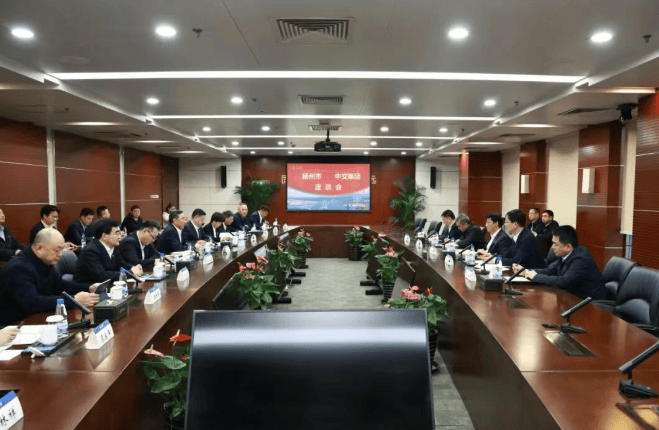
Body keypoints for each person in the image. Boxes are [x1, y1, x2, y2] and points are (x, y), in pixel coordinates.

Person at [0, 229, 99, 326]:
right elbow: (32, 303)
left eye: (62, 250)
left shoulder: (43, 261)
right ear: (39, 248)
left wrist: (88, 287)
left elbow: (59, 285)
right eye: (57, 250)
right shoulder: (18, 268)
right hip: (15, 325)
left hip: (38, 318)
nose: (60, 254)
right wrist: (74, 300)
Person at [520, 226, 606, 300]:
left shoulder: (581, 259)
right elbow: (549, 270)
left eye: (555, 244)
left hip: (590, 303)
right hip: (573, 297)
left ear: (568, 247)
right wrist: (525, 271)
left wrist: (535, 276)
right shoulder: (566, 254)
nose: (553, 247)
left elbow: (563, 281)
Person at [73, 220, 143, 284]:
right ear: (104, 236)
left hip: (107, 286)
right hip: (87, 289)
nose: (120, 237)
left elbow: (121, 264)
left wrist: (133, 268)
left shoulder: (114, 248)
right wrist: (130, 273)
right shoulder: (91, 251)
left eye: (120, 233)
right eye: (117, 233)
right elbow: (102, 276)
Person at [481, 209, 546, 269]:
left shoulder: (526, 238)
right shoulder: (517, 236)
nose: (505, 225)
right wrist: (491, 256)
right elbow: (507, 255)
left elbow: (516, 261)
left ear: (515, 224)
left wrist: (495, 260)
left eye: (506, 222)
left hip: (532, 272)